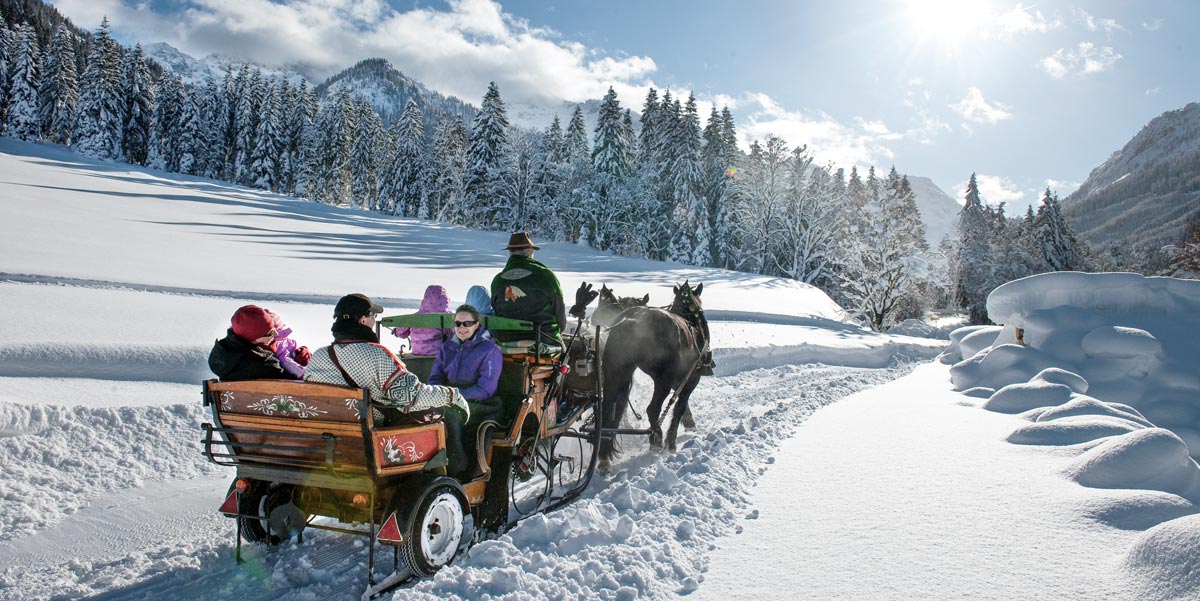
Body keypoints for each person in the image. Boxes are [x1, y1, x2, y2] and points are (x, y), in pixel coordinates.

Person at [304, 293, 470, 471]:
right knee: (444, 417)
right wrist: (451, 395)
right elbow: (411, 397)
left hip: (328, 437)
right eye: (373, 316)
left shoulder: (318, 356)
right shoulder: (377, 356)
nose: (375, 319)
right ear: (362, 321)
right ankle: (456, 471)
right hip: (371, 440)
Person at [428, 304, 504, 477]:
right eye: (458, 324)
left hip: (482, 403)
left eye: (467, 323)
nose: (461, 328)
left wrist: (454, 396)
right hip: (449, 397)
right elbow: (435, 377)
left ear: (477, 324)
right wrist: (434, 393)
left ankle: (456, 463)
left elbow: (486, 389)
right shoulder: (448, 347)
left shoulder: (489, 350)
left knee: (450, 415)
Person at [490, 232, 598, 344]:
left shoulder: (498, 281)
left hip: (505, 342)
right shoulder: (546, 276)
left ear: (510, 253)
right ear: (529, 252)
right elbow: (560, 319)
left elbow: (497, 310)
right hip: (543, 342)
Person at [209, 305, 307, 381]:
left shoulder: (225, 353)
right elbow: (294, 385)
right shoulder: (263, 364)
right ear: (253, 338)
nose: (275, 335)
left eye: (274, 329)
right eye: (269, 334)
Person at [390, 284, 452, 355]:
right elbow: (453, 333)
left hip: (417, 353)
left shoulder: (414, 317)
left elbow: (402, 332)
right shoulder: (446, 318)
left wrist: (396, 331)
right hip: (438, 355)